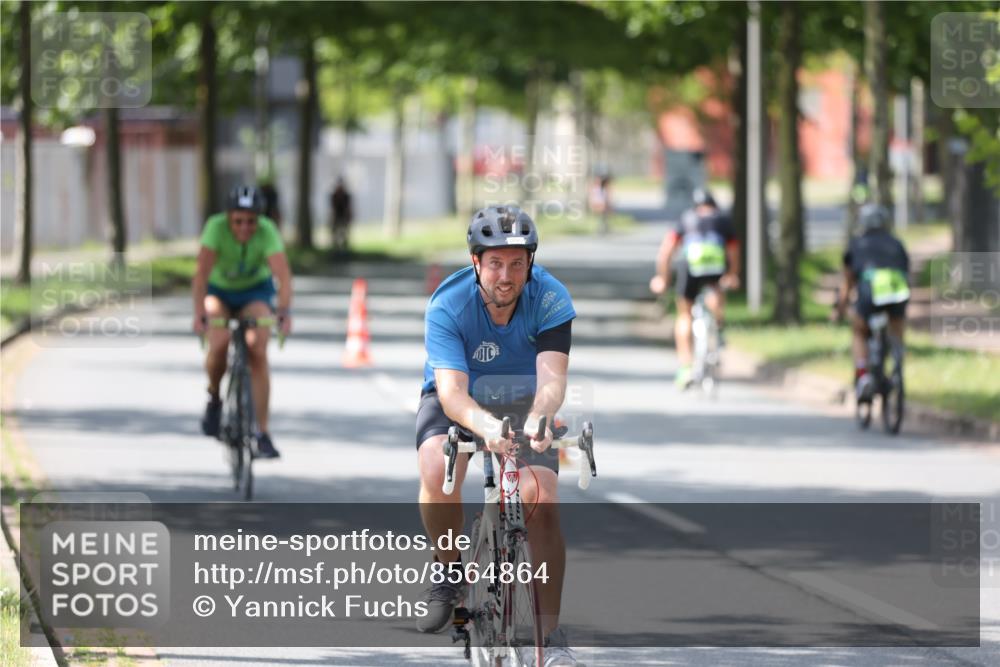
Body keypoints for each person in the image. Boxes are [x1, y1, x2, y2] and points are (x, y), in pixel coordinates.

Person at [414, 205, 580, 665]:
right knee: (435, 465)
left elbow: (552, 380)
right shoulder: (448, 303)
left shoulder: (550, 298)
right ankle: (449, 572)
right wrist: (485, 427)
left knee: (542, 500)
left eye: (516, 263)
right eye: (494, 263)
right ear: (475, 262)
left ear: (531, 262)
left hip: (523, 400)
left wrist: (541, 414)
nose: (505, 276)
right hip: (462, 398)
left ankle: (552, 638)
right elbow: (450, 393)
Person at [192, 185, 293, 459]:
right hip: (219, 292)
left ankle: (261, 433)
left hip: (254, 292)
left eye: (251, 221)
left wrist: (283, 312)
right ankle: (214, 397)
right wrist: (199, 313)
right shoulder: (215, 227)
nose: (244, 227)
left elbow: (283, 276)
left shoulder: (267, 230)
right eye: (238, 221)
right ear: (228, 218)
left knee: (257, 349)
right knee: (220, 341)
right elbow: (201, 275)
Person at [649, 187, 740, 389]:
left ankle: (686, 366)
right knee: (715, 292)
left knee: (684, 315)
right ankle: (718, 327)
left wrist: (662, 278)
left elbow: (666, 252)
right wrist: (732, 274)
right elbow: (733, 250)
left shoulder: (686, 218)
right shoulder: (722, 220)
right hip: (715, 267)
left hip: (689, 267)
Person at [832, 203, 910, 401]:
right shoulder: (897, 244)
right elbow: (906, 273)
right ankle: (898, 359)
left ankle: (863, 374)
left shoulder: (857, 244)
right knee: (897, 325)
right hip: (896, 291)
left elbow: (848, 282)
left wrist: (840, 308)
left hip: (869, 291)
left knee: (859, 331)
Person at [330, 177, 353, 254]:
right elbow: (332, 208)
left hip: (343, 217)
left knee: (344, 233)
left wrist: (348, 217)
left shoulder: (346, 196)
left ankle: (344, 250)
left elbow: (348, 207)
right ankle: (335, 250)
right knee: (335, 234)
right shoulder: (334, 195)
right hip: (337, 217)